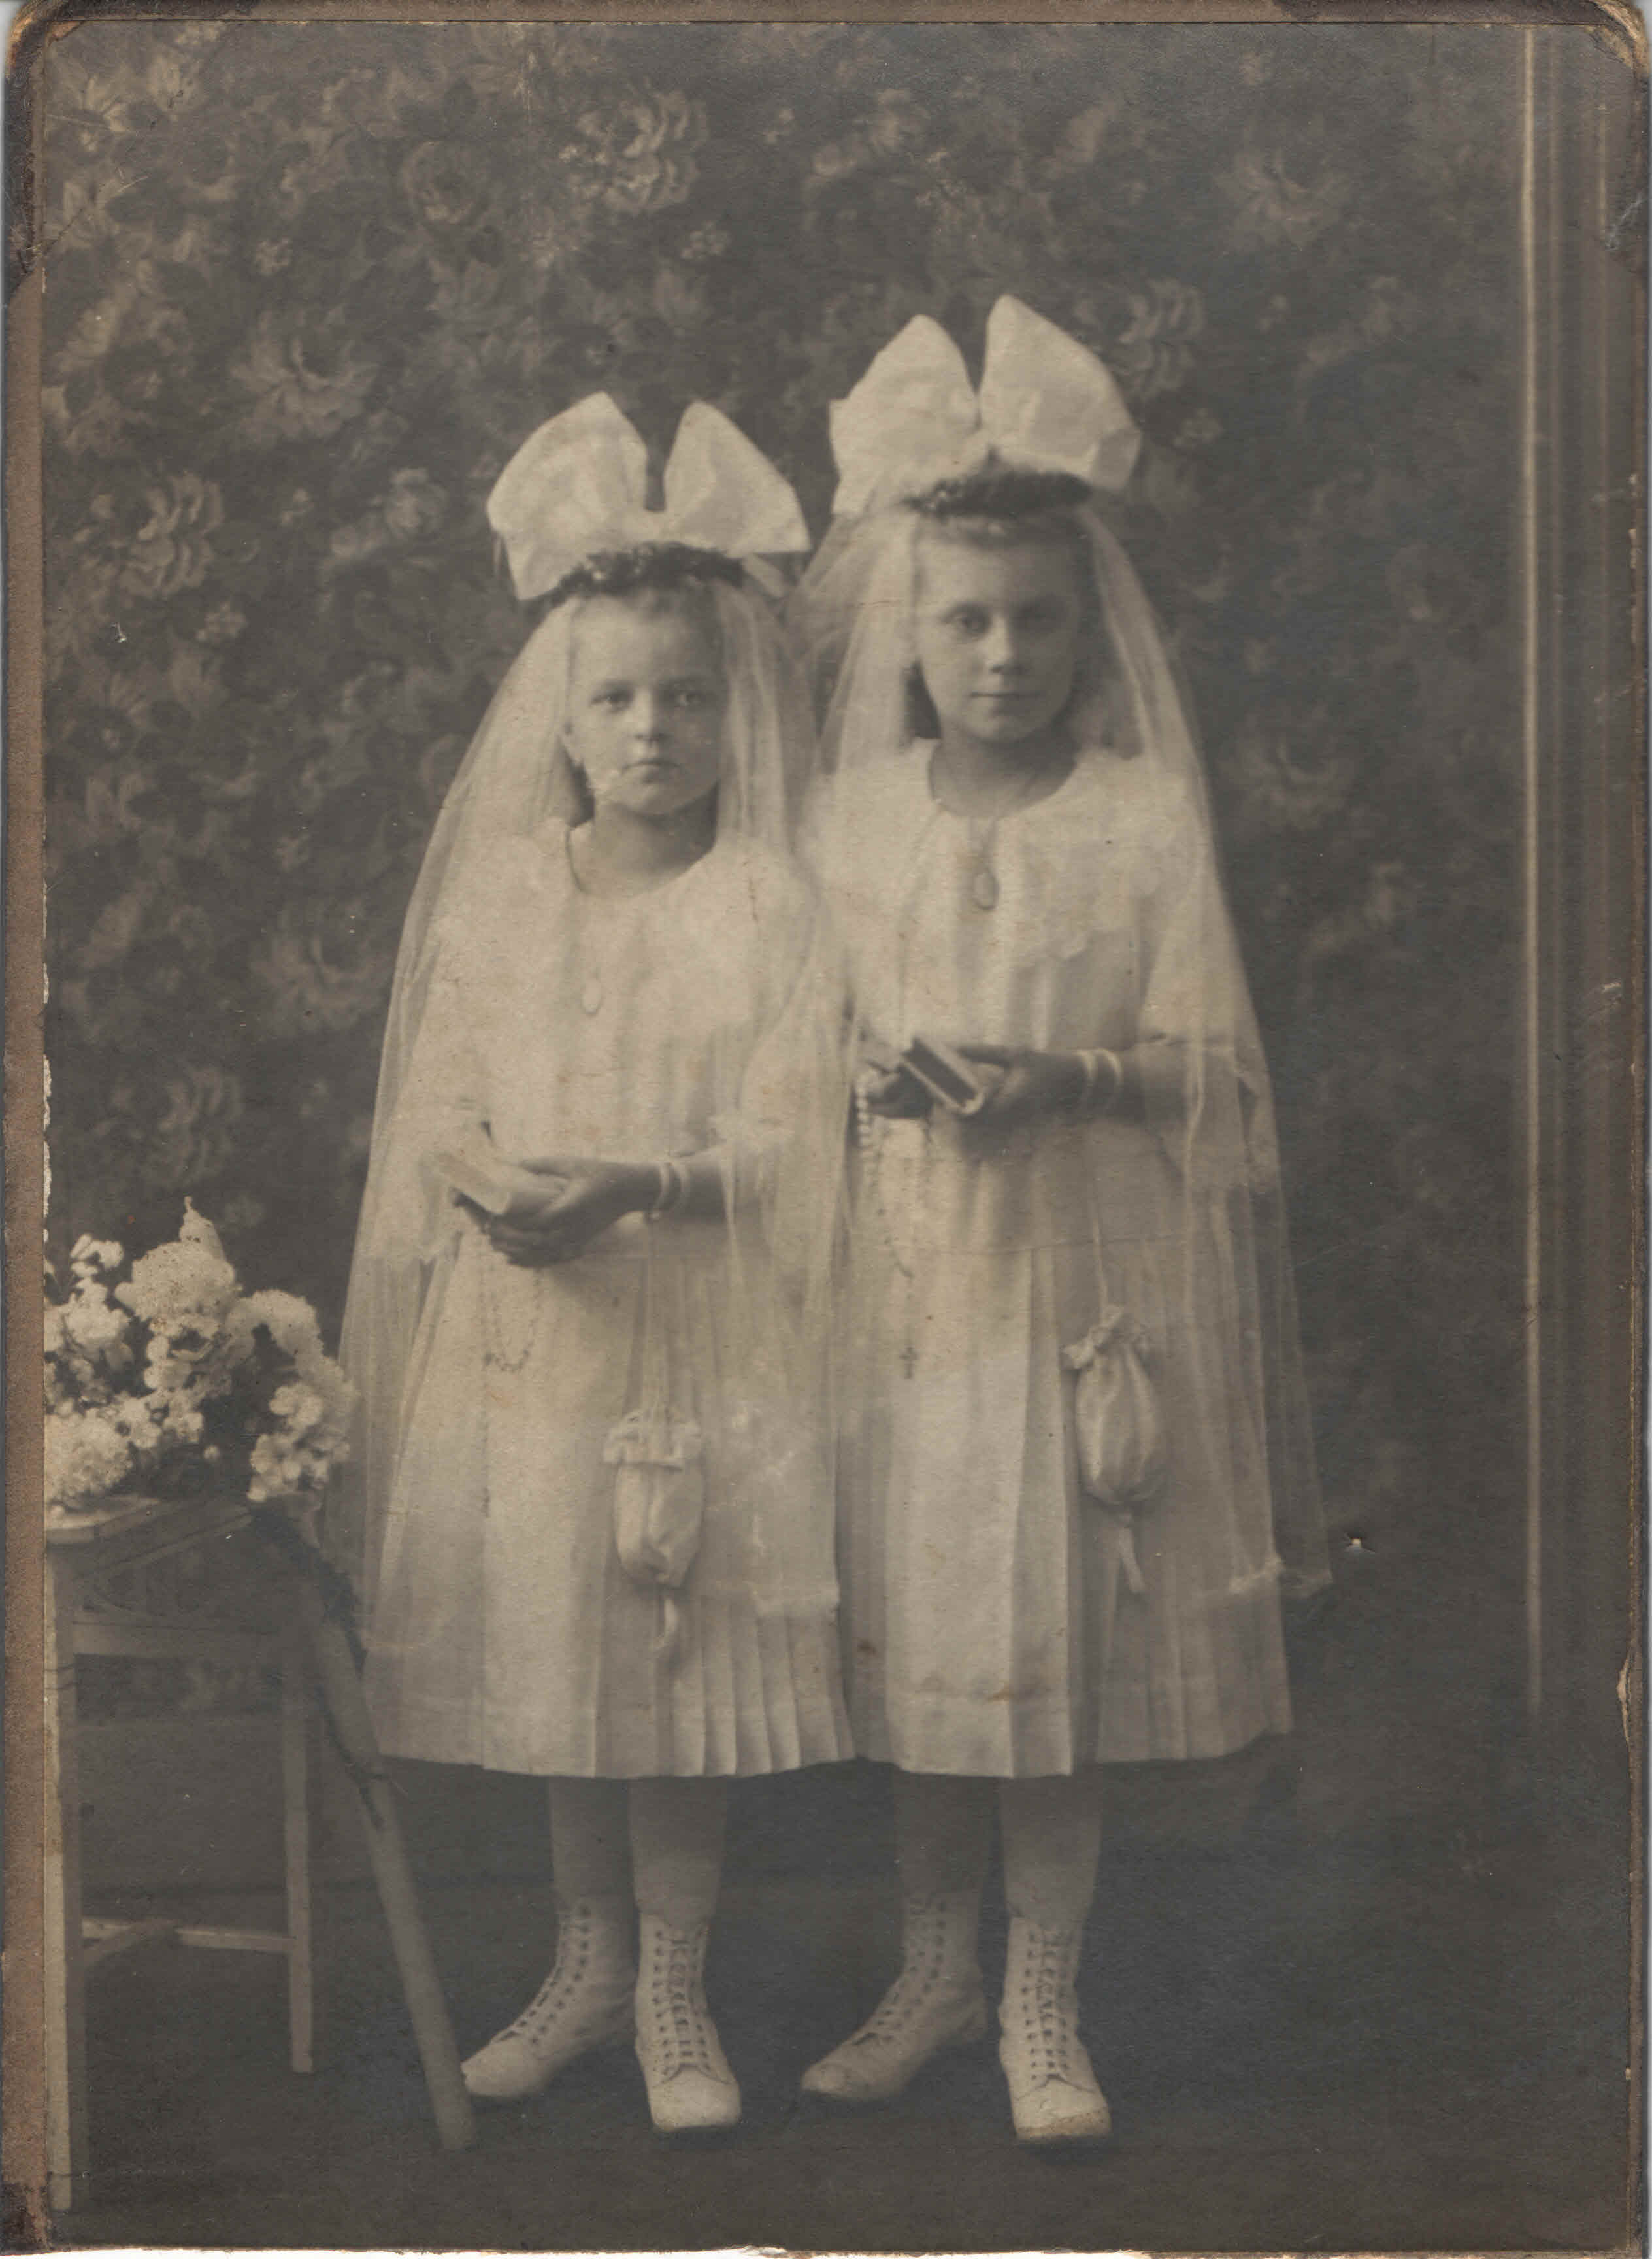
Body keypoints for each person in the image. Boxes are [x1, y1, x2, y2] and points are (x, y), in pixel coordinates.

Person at [791, 299, 1329, 2144]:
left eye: (1035, 620)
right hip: (901, 1293)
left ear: (1088, 631)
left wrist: (1069, 1079)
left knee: (1048, 1652)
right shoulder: (845, 822)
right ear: (908, 632)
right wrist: (865, 1078)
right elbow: (783, 1050)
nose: (1003, 655)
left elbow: (1214, 1075)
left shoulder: (1138, 817)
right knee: (924, 1647)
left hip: (1077, 1282)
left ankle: (1040, 1995)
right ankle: (934, 1973)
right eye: (966, 622)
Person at [335, 394, 853, 2135]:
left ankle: (673, 1992)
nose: (652, 731)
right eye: (619, 701)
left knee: (672, 1655)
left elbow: (797, 1140)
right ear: (560, 720)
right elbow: (442, 1103)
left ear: (734, 711)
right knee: (562, 1648)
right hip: (534, 1326)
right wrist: (491, 1186)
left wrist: (637, 1182)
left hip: (700, 1320)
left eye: (686, 698)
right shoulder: (506, 893)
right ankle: (581, 1967)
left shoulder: (770, 899)